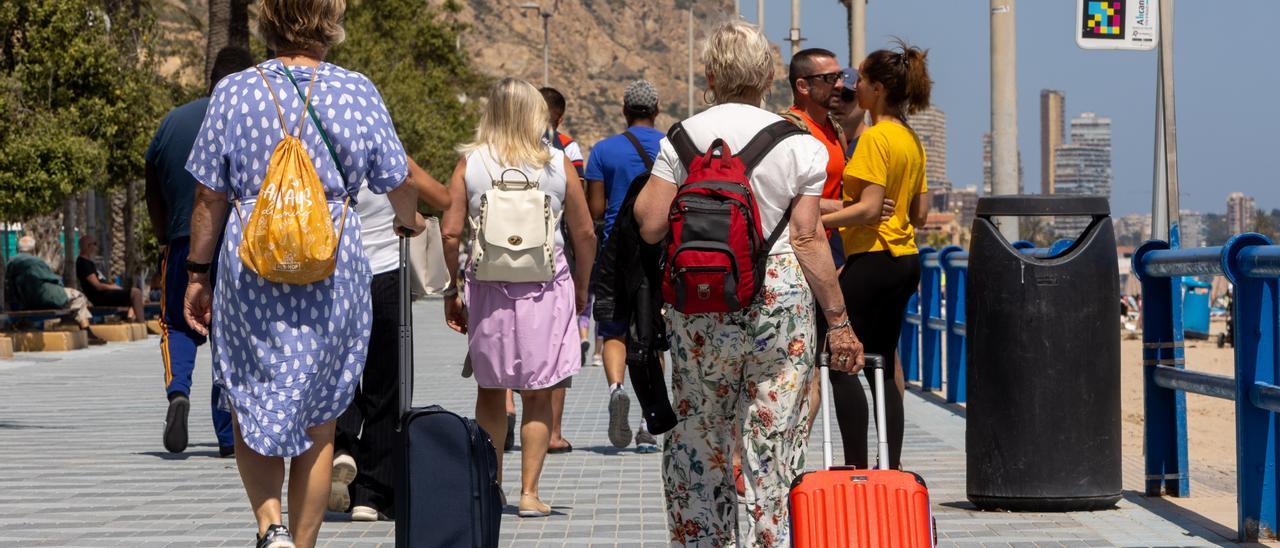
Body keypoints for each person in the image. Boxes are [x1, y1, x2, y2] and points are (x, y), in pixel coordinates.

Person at [181, 1, 427, 546]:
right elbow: (400, 180)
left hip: (252, 267)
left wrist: (197, 273)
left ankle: (271, 528)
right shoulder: (357, 92)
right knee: (320, 424)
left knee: (251, 401)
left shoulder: (234, 92)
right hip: (331, 268)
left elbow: (207, 195)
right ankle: (304, 542)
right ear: (330, 22)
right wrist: (409, 221)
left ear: (269, 21)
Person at [633, 21, 864, 547]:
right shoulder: (799, 143)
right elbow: (807, 239)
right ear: (767, 74)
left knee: (699, 436)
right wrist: (841, 323)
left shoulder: (683, 137)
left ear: (710, 74)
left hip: (702, 302)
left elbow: (649, 223)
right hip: (777, 302)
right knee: (773, 442)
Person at [440, 77, 597, 518]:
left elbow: (451, 232)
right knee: (538, 393)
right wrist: (583, 287)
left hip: (488, 287)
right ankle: (530, 493)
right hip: (547, 286)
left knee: (491, 391)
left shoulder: (470, 164)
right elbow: (583, 232)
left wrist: (451, 291)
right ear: (536, 114)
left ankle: (492, 486)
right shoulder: (557, 162)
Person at [820, 41, 933, 472]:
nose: (857, 87)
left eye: (862, 81)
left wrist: (815, 224)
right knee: (881, 365)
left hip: (874, 257)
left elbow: (868, 209)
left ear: (880, 89)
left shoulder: (874, 138)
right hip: (905, 260)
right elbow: (919, 214)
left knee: (840, 360)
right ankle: (892, 470)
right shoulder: (910, 139)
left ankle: (856, 469)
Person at [330, 155, 451, 522]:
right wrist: (409, 218)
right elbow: (441, 197)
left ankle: (342, 447)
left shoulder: (313, 140)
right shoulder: (383, 145)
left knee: (338, 373)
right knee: (388, 381)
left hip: (332, 271)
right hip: (385, 269)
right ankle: (373, 495)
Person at [584, 80, 664, 453]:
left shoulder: (602, 151)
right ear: (657, 110)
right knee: (652, 336)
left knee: (613, 331)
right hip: (656, 251)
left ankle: (617, 389)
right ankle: (650, 421)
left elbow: (596, 210)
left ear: (624, 110)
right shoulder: (671, 147)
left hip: (615, 252)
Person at [538, 86, 584, 454]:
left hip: (499, 260)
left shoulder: (492, 152)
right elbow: (581, 220)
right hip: (554, 255)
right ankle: (552, 432)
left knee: (505, 341)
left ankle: (505, 405)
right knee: (554, 349)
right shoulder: (566, 150)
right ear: (560, 117)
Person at [4, 236, 100, 343]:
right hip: (43, 298)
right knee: (78, 296)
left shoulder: (10, 262)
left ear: (18, 248)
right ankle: (87, 331)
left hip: (25, 302)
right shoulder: (36, 261)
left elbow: (8, 284)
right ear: (33, 249)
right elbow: (52, 279)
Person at [75, 235, 145, 322]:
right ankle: (142, 324)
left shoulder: (88, 262)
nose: (96, 247)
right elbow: (97, 286)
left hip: (105, 294)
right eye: (94, 244)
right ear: (88, 246)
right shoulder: (83, 263)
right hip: (101, 297)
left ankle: (131, 319)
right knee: (136, 293)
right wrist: (113, 287)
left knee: (136, 296)